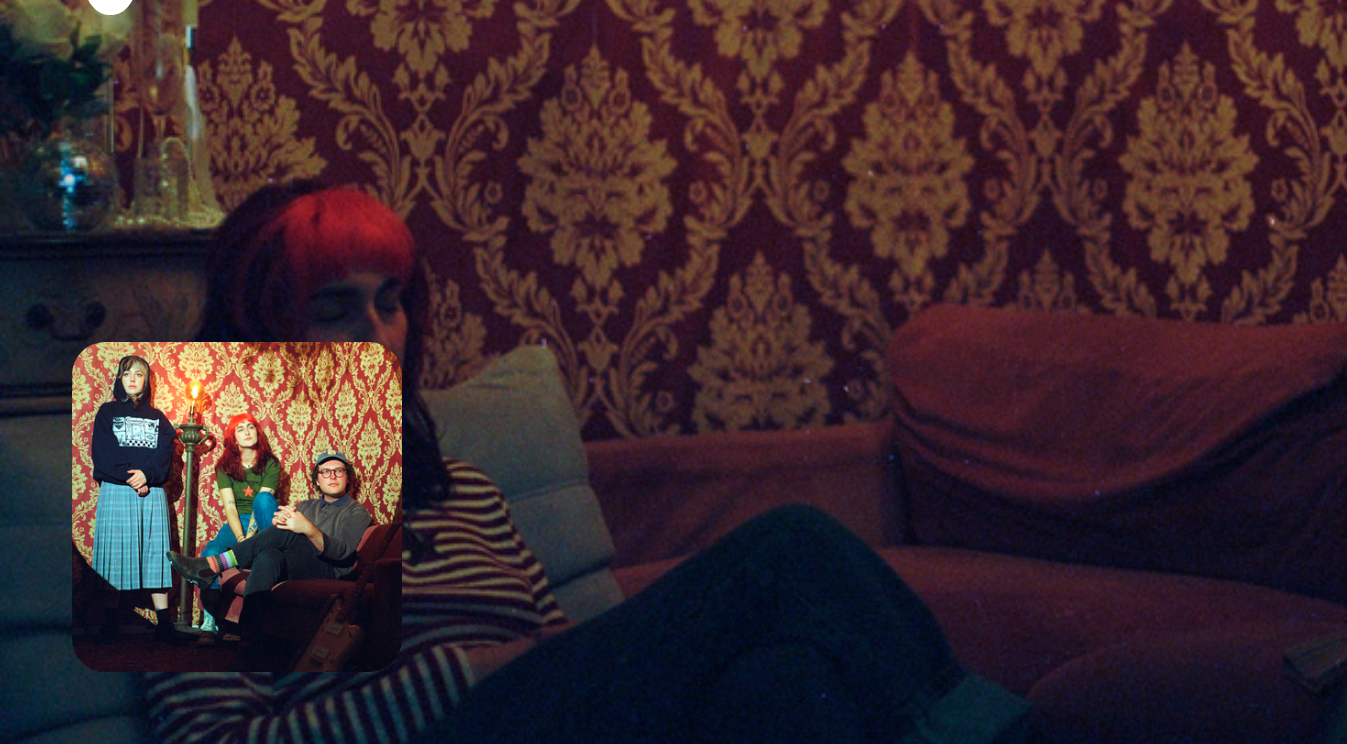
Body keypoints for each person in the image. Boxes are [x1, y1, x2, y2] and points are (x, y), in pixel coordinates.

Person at [147, 181, 1034, 744]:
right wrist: (473, 671)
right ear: (260, 327)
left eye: (390, 302)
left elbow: (571, 661)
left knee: (786, 684)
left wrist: (534, 667)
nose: (378, 333)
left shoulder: (465, 492)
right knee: (788, 547)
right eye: (335, 308)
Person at [167, 448, 372, 625]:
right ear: (317, 480)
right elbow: (284, 539)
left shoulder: (356, 511)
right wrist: (278, 523)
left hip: (329, 572)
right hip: (296, 566)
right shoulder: (306, 506)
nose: (333, 476)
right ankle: (249, 635)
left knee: (287, 532)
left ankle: (212, 566)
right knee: (269, 556)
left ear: (347, 477)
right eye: (325, 472)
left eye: (339, 471)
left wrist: (306, 528)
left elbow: (341, 552)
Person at [89, 354, 180, 642]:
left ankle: (164, 625)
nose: (132, 379)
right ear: (120, 378)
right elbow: (103, 452)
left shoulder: (159, 418)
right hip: (117, 490)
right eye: (127, 373)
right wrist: (134, 478)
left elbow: (165, 453)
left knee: (156, 555)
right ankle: (109, 624)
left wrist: (147, 476)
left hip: (151, 493)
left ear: (146, 381)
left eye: (139, 374)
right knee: (115, 554)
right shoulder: (107, 413)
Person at [191, 412, 282, 633]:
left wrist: (248, 543)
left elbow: (261, 506)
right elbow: (230, 507)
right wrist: (241, 539)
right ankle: (210, 618)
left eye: (251, 427)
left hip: (265, 518)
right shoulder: (224, 466)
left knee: (262, 499)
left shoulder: (271, 463)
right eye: (240, 429)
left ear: (257, 432)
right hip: (238, 520)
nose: (247, 432)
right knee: (211, 551)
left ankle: (256, 553)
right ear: (234, 438)